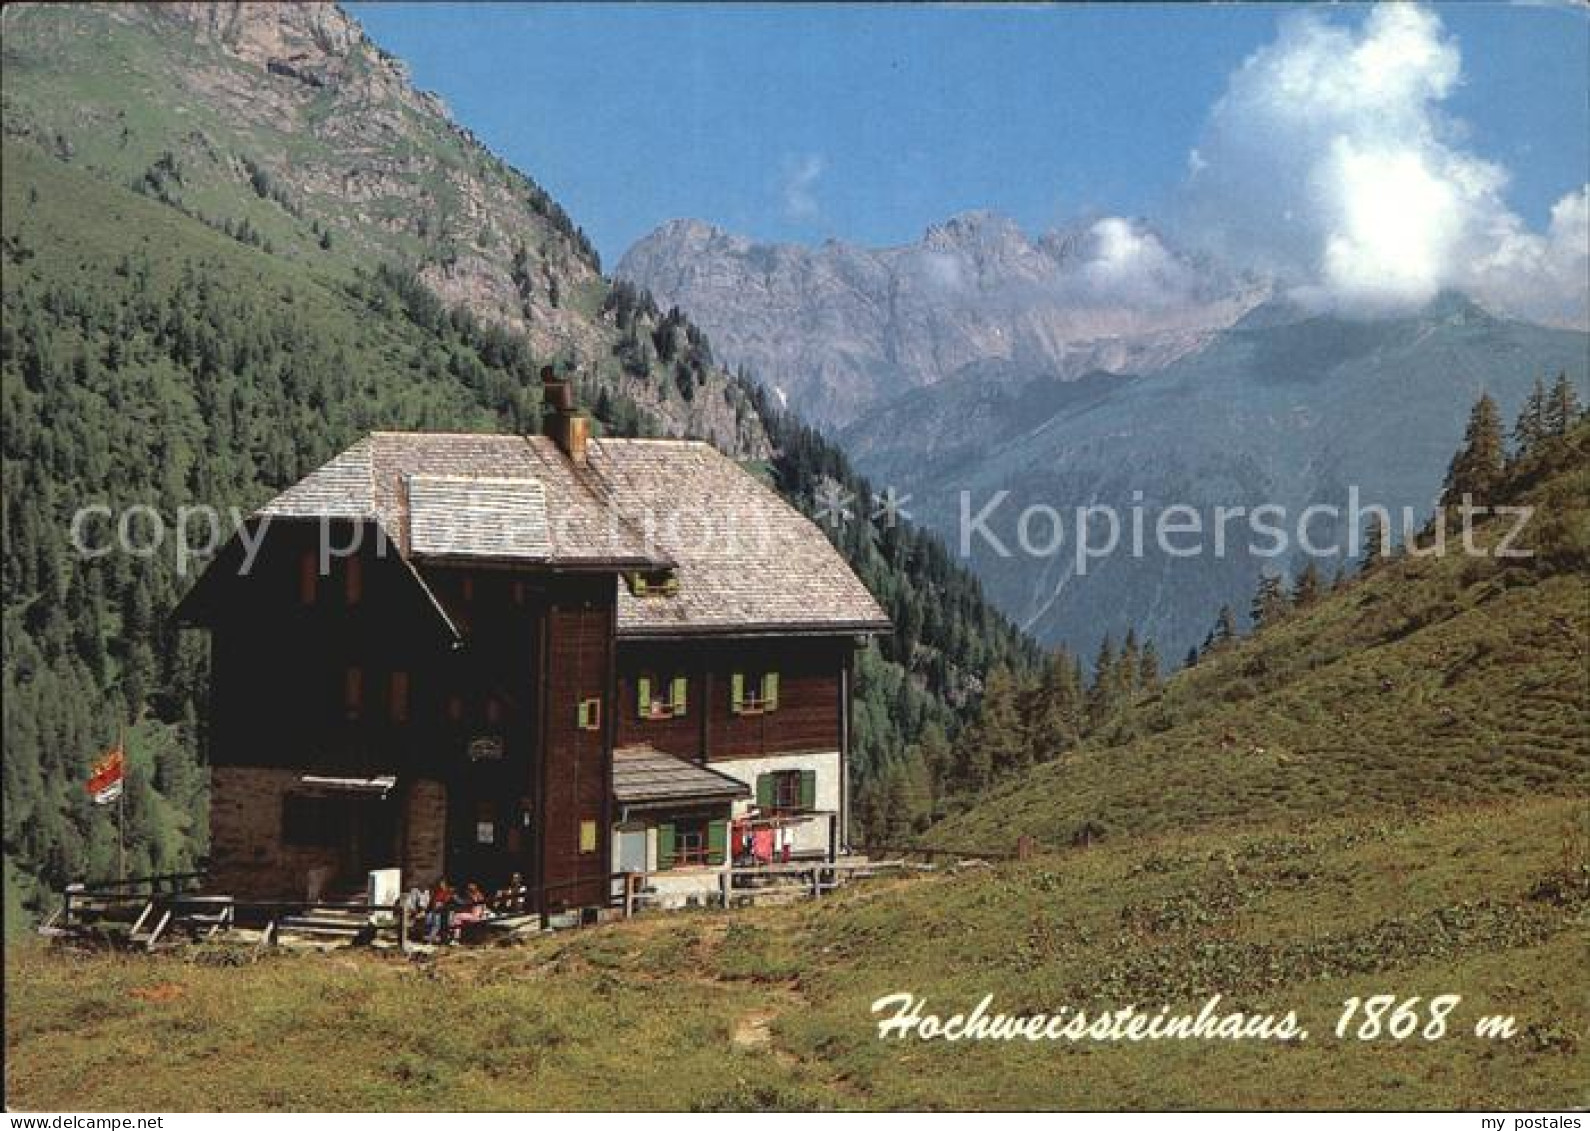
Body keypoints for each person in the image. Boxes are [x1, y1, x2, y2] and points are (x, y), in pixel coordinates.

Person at [424, 878, 454, 944]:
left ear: (445, 885)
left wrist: (440, 905)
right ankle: (429, 938)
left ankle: (430, 939)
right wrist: (428, 910)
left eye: (442, 884)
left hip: (442, 912)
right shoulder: (437, 892)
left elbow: (446, 902)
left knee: (436, 924)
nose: (441, 885)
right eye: (440, 884)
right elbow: (432, 902)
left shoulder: (448, 893)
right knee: (429, 920)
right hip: (435, 910)